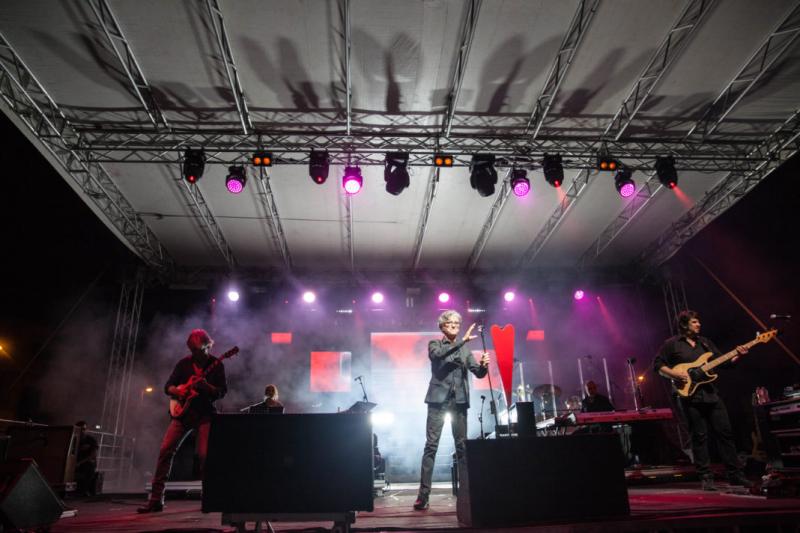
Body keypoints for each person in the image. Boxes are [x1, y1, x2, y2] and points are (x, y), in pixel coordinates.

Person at [653, 310, 751, 490]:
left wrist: (738, 354)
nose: (699, 325)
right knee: (699, 436)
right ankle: (706, 477)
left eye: (699, 322)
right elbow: (658, 365)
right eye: (695, 322)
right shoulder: (672, 344)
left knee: (725, 433)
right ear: (684, 325)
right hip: (689, 395)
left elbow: (725, 363)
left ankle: (735, 474)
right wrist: (674, 373)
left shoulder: (705, 343)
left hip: (711, 393)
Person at [138, 329, 227, 513]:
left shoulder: (216, 365)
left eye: (199, 350)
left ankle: (208, 499)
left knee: (205, 456)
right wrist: (177, 391)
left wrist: (207, 387)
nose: (195, 354)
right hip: (182, 415)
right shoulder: (183, 364)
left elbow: (221, 392)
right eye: (192, 350)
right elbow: (167, 386)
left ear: (207, 346)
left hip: (205, 415)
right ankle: (156, 500)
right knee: (165, 451)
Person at [413, 310, 489, 511]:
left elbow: (478, 373)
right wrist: (462, 342)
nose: (455, 325)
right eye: (451, 323)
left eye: (457, 322)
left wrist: (483, 366)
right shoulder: (435, 344)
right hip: (438, 402)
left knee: (462, 448)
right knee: (431, 446)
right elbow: (437, 357)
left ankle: (466, 492)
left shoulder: (465, 350)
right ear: (442, 326)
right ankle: (423, 495)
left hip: (459, 402)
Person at [74, 420, 100, 496]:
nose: (82, 431)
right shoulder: (74, 438)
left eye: (83, 429)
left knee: (90, 467)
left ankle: (84, 490)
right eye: (79, 429)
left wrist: (79, 463)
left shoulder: (91, 440)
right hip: (75, 461)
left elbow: (93, 455)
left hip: (86, 462)